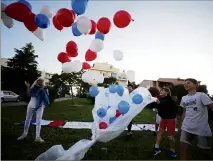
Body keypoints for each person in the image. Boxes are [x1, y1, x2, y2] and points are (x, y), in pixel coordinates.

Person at [179, 78, 213, 160]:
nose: (185, 84)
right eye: (185, 83)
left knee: (204, 151)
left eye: (188, 83)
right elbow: (184, 112)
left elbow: (212, 107)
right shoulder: (184, 98)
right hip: (187, 126)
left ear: (195, 85)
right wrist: (182, 124)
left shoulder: (201, 95)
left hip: (201, 127)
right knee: (183, 148)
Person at [17, 78, 50, 143]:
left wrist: (45, 90)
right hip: (31, 104)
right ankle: (24, 134)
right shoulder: (33, 87)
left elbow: (46, 96)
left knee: (38, 121)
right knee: (27, 120)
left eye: (41, 81)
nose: (40, 82)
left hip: (40, 106)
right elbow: (28, 95)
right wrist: (28, 87)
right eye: (39, 81)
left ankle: (37, 137)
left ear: (43, 82)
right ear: (36, 81)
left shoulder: (44, 88)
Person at [152, 87, 178, 158]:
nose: (160, 91)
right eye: (161, 90)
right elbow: (157, 104)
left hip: (171, 120)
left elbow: (161, 102)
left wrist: (153, 99)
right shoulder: (161, 99)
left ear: (167, 92)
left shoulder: (169, 99)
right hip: (163, 119)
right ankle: (156, 148)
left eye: (162, 91)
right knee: (159, 133)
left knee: (170, 136)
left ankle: (173, 151)